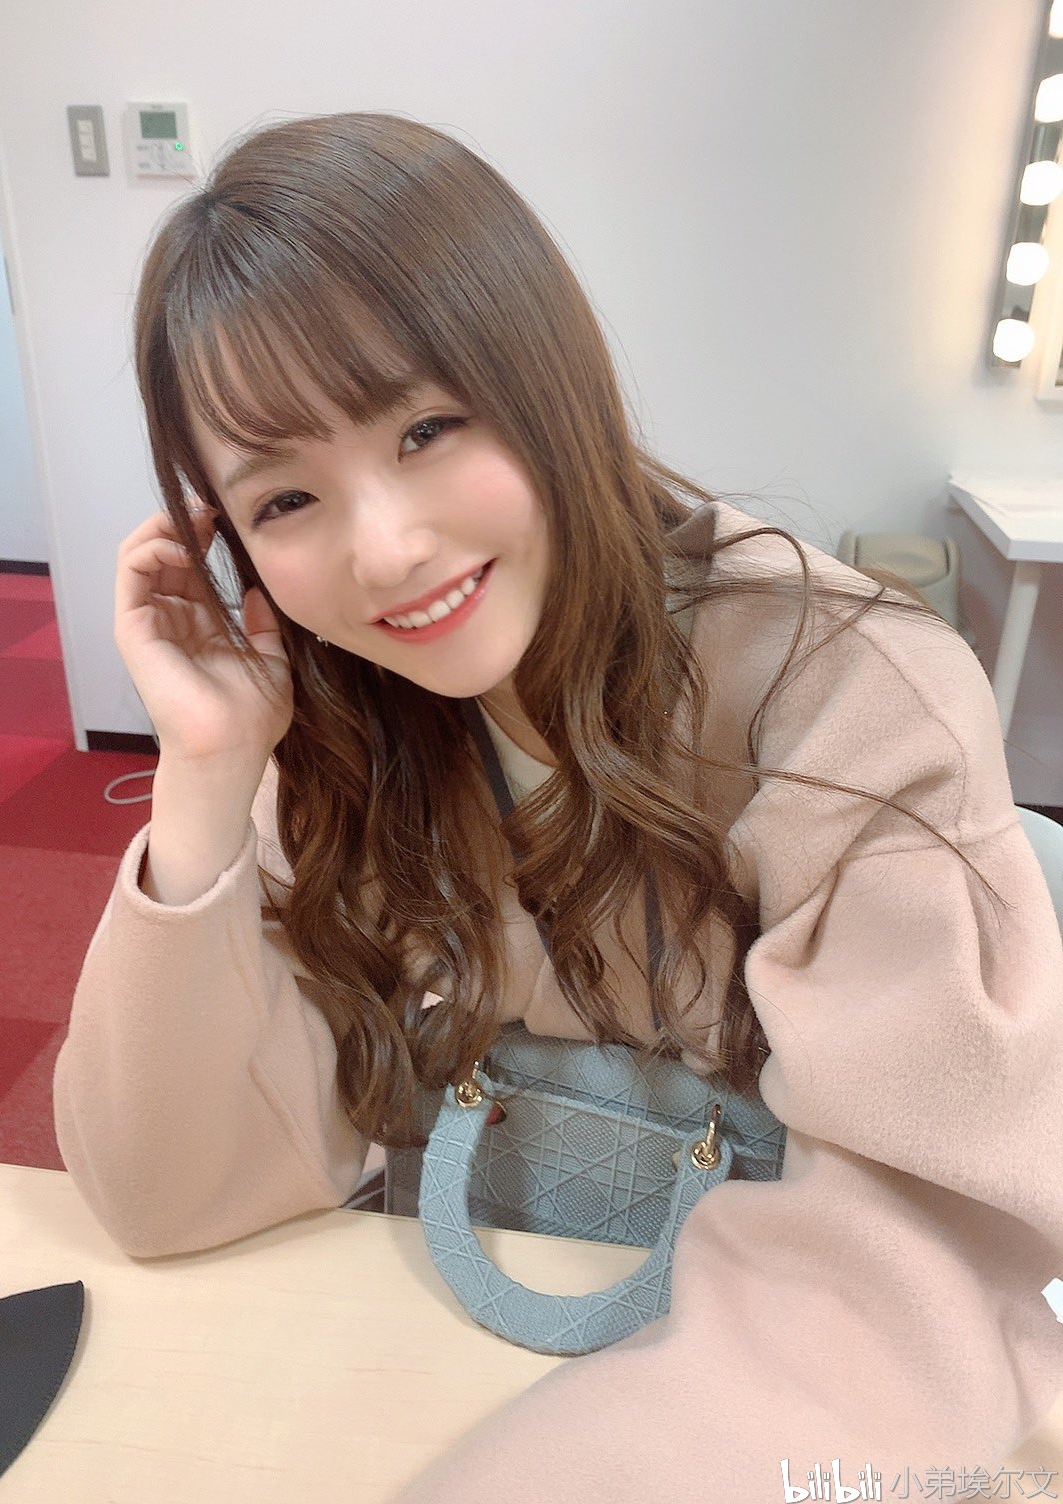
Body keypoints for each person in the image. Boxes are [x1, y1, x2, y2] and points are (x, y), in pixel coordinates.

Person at [54, 111, 1063, 1500]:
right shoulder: (337, 732)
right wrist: (208, 778)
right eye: (285, 500)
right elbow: (170, 1193)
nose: (385, 551)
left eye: (425, 429)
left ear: (546, 375)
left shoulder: (841, 690)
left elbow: (904, 1287)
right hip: (435, 1352)